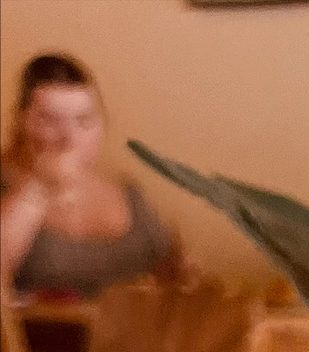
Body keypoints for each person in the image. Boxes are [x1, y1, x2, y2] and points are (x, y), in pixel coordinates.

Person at [1, 53, 177, 297]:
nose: (70, 139)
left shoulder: (128, 192)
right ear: (21, 122)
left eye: (84, 121)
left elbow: (174, 277)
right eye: (50, 121)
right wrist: (37, 189)